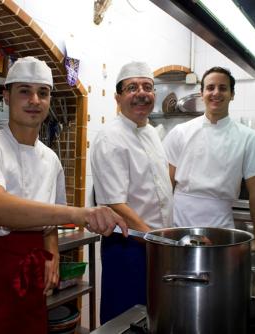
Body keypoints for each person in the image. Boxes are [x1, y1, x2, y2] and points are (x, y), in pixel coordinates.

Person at [0, 56, 127, 334]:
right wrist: (80, 214)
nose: (34, 100)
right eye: (24, 91)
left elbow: (48, 220)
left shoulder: (50, 159)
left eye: (43, 93)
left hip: (33, 271)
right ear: (6, 96)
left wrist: (52, 253)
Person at [91, 61, 174, 324]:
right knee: (126, 321)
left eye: (147, 87)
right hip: (128, 245)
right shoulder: (110, 137)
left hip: (154, 243)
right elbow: (115, 205)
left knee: (153, 318)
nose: (141, 93)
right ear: (118, 98)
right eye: (131, 88)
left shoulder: (151, 133)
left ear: (154, 96)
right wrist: (159, 242)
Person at [163, 66, 255, 251]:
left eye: (223, 88)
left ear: (232, 94)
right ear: (201, 94)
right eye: (210, 88)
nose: (216, 93)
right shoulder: (180, 133)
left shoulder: (249, 138)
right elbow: (167, 187)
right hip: (178, 227)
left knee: (217, 278)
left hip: (221, 229)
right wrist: (164, 230)